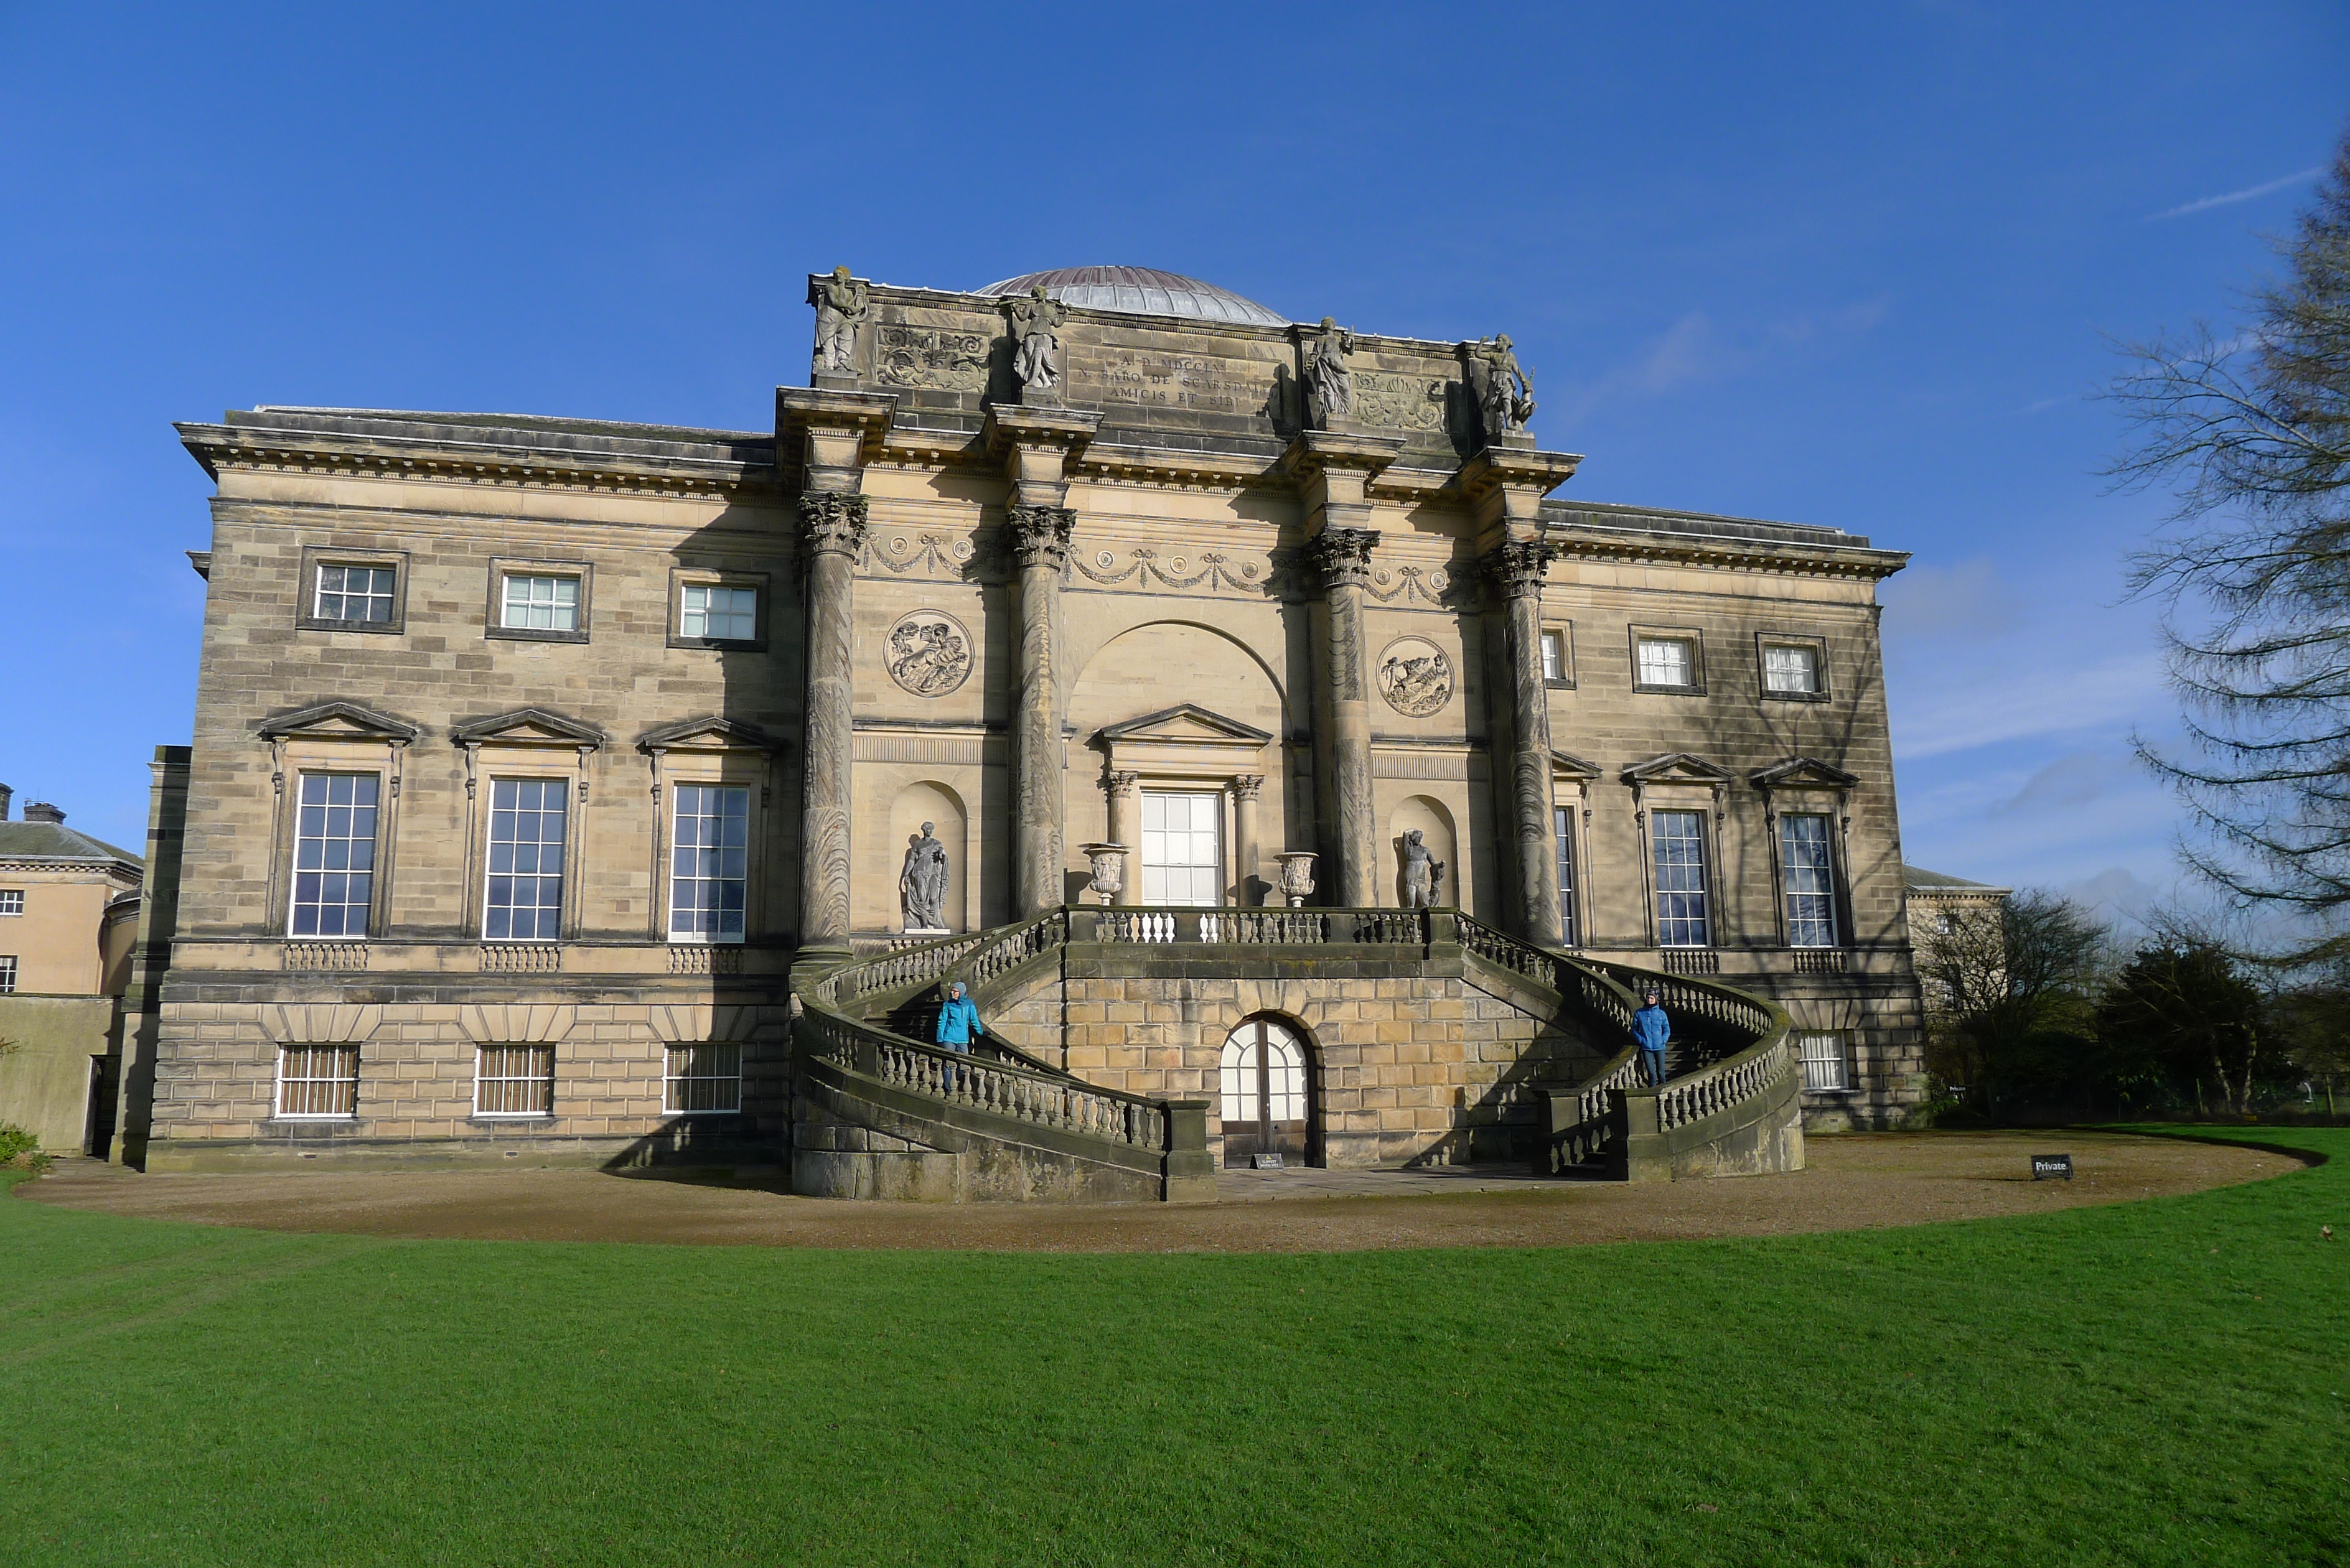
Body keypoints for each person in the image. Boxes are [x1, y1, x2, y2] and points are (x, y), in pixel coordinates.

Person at [934, 980, 985, 1089]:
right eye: (952, 991)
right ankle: (948, 1089)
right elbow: (942, 1022)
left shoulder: (969, 1004)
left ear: (961, 993)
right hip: (949, 1038)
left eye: (955, 991)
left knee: (965, 1064)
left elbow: (974, 1020)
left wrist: (981, 1032)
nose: (952, 993)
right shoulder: (947, 1004)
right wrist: (940, 1038)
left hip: (963, 1039)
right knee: (948, 1065)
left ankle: (954, 1079)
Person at [1632, 988, 1671, 1087]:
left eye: (1652, 998)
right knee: (1651, 1074)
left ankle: (1663, 1091)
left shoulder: (1661, 1014)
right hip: (1646, 1047)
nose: (1649, 1000)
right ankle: (1652, 1091)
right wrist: (1641, 1040)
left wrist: (1663, 1040)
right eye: (1648, 998)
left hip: (1660, 1047)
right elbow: (1634, 1029)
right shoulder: (1639, 1013)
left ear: (1656, 1000)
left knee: (1661, 1073)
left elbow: (1667, 1029)